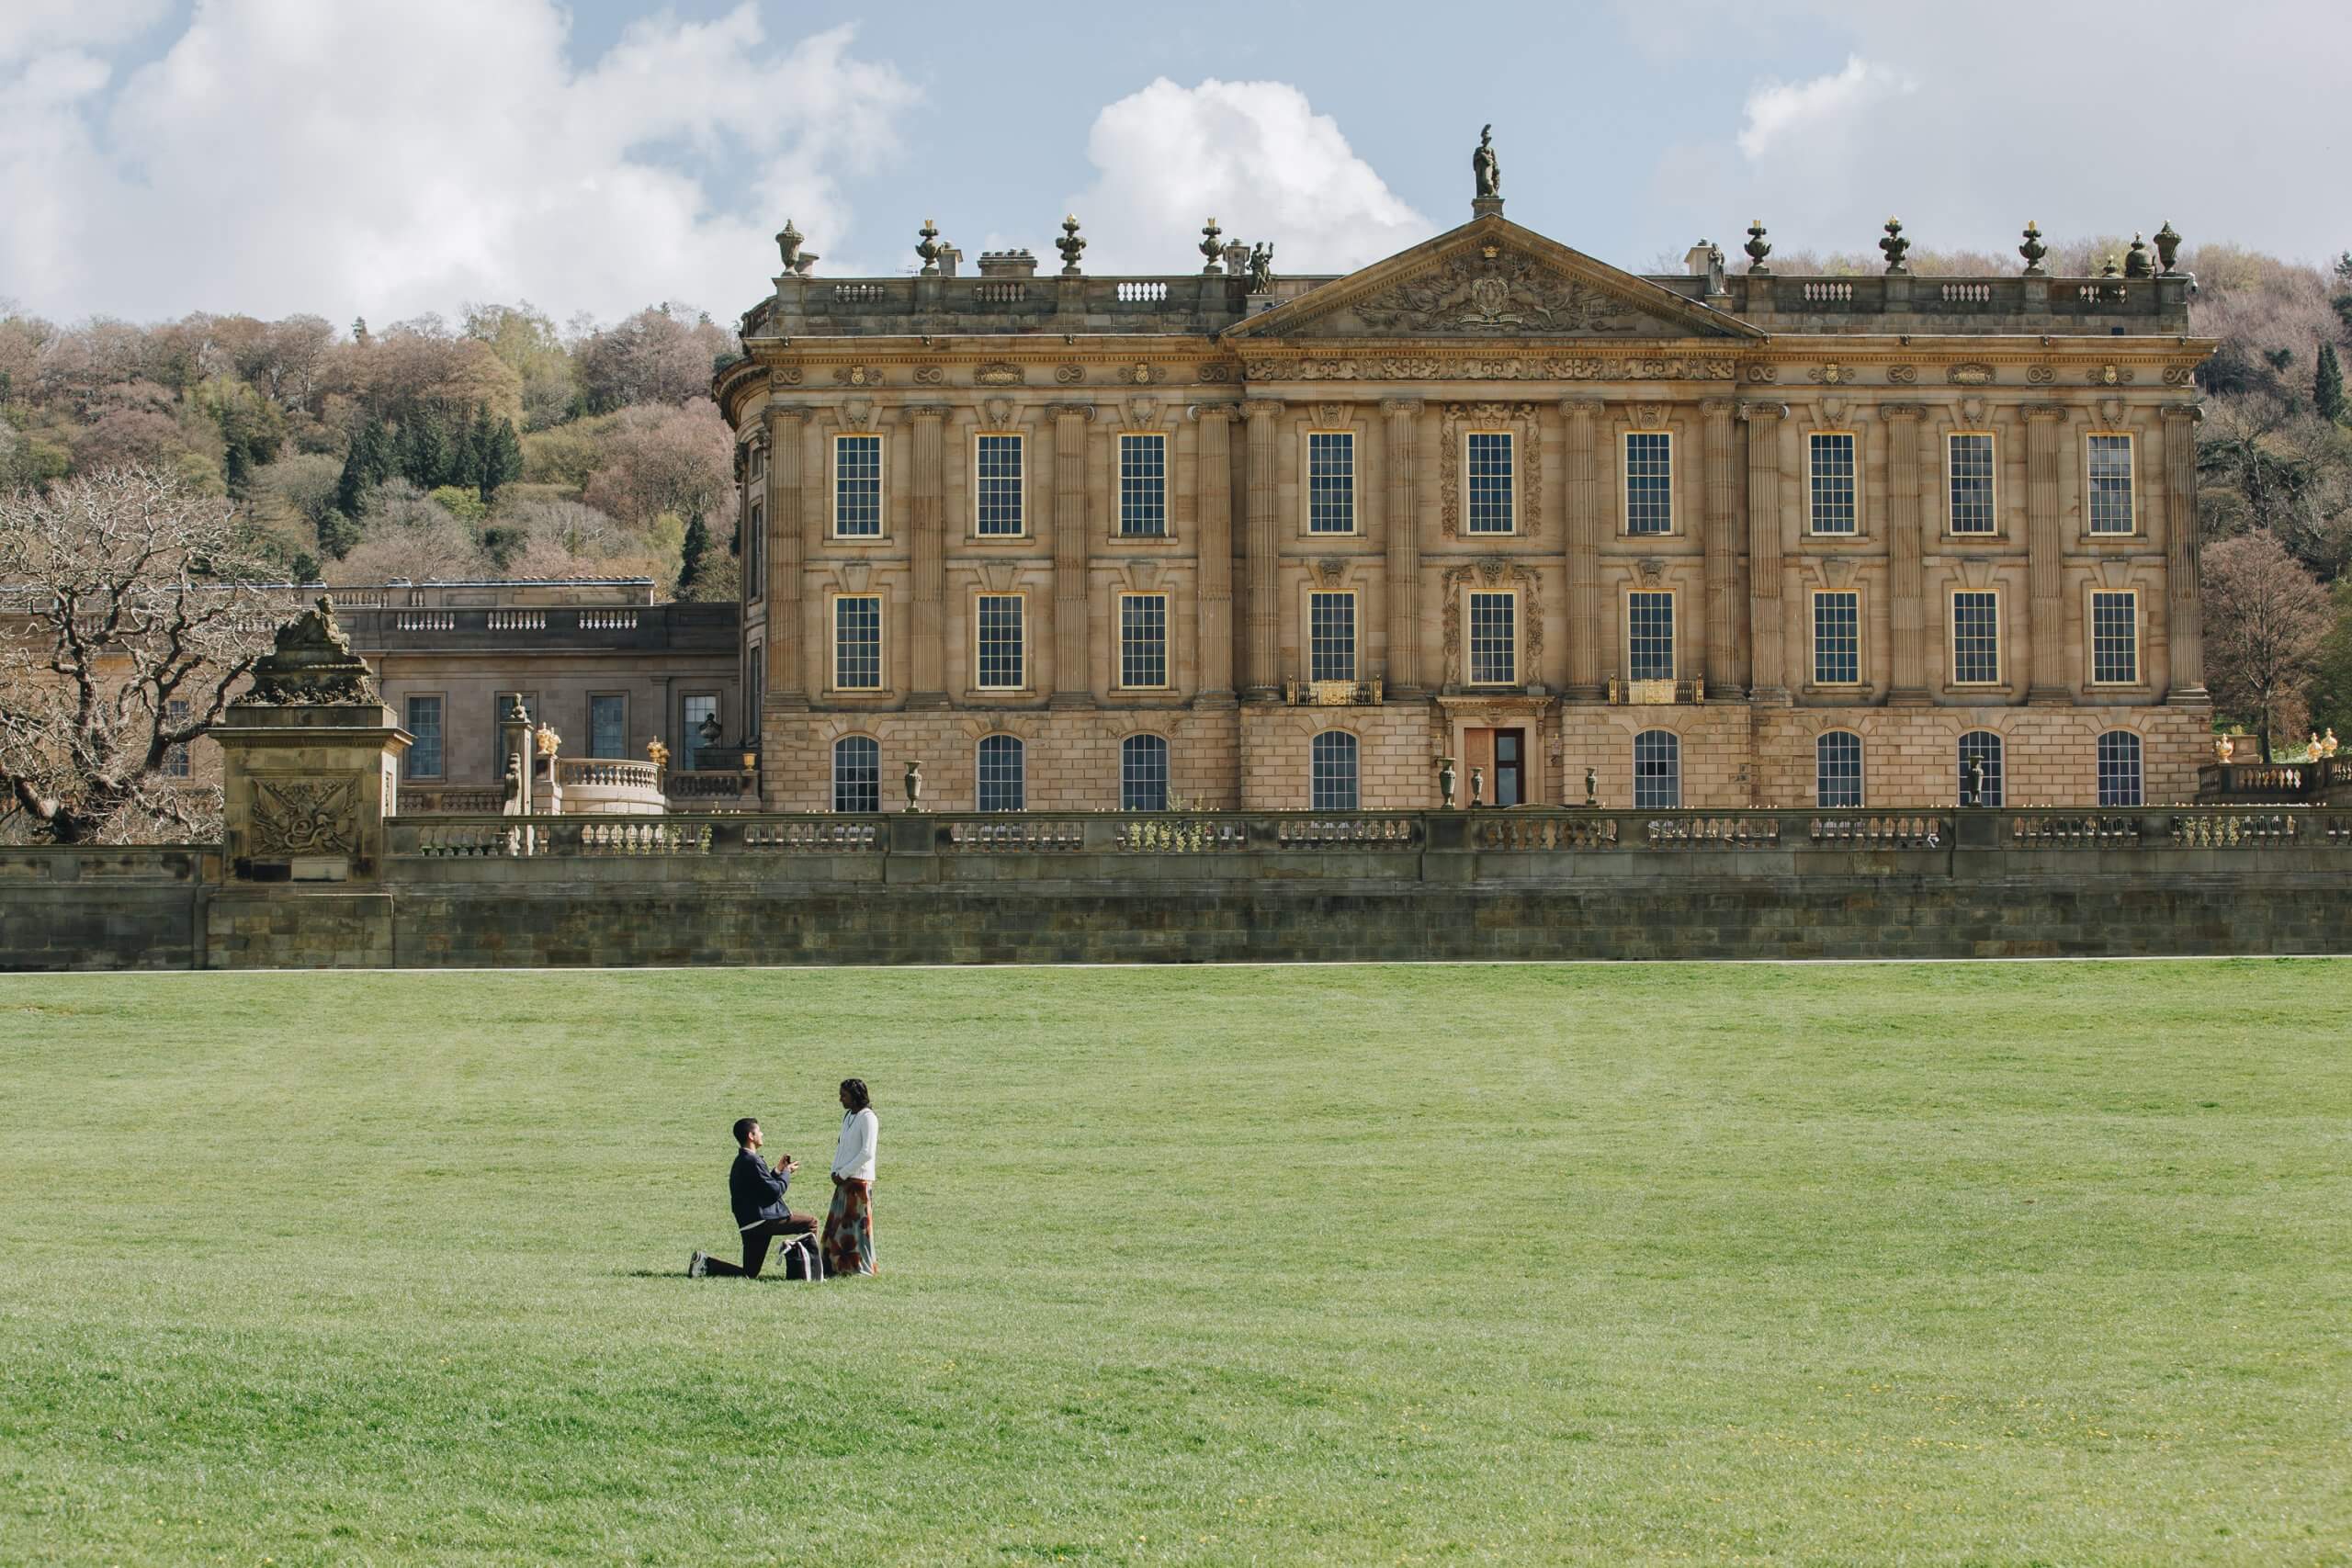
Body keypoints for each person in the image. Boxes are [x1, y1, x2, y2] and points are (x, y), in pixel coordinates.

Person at [689, 1117, 817, 1279]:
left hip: (749, 1223)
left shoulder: (743, 1159)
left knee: (749, 1273)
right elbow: (774, 1191)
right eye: (759, 1131)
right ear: (751, 1136)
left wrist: (778, 1171)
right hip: (762, 1221)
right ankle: (807, 1272)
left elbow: (761, 1188)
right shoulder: (752, 1160)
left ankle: (705, 1263)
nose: (762, 1134)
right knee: (810, 1222)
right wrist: (786, 1174)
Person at [822, 1078, 879, 1277]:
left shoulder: (868, 1118)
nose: (840, 1099)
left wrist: (844, 1172)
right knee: (838, 1226)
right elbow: (842, 1146)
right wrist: (835, 1170)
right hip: (843, 1180)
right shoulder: (848, 1116)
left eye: (844, 1095)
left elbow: (867, 1152)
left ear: (855, 1097)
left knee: (857, 1228)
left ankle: (858, 1268)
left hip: (858, 1181)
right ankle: (836, 1266)